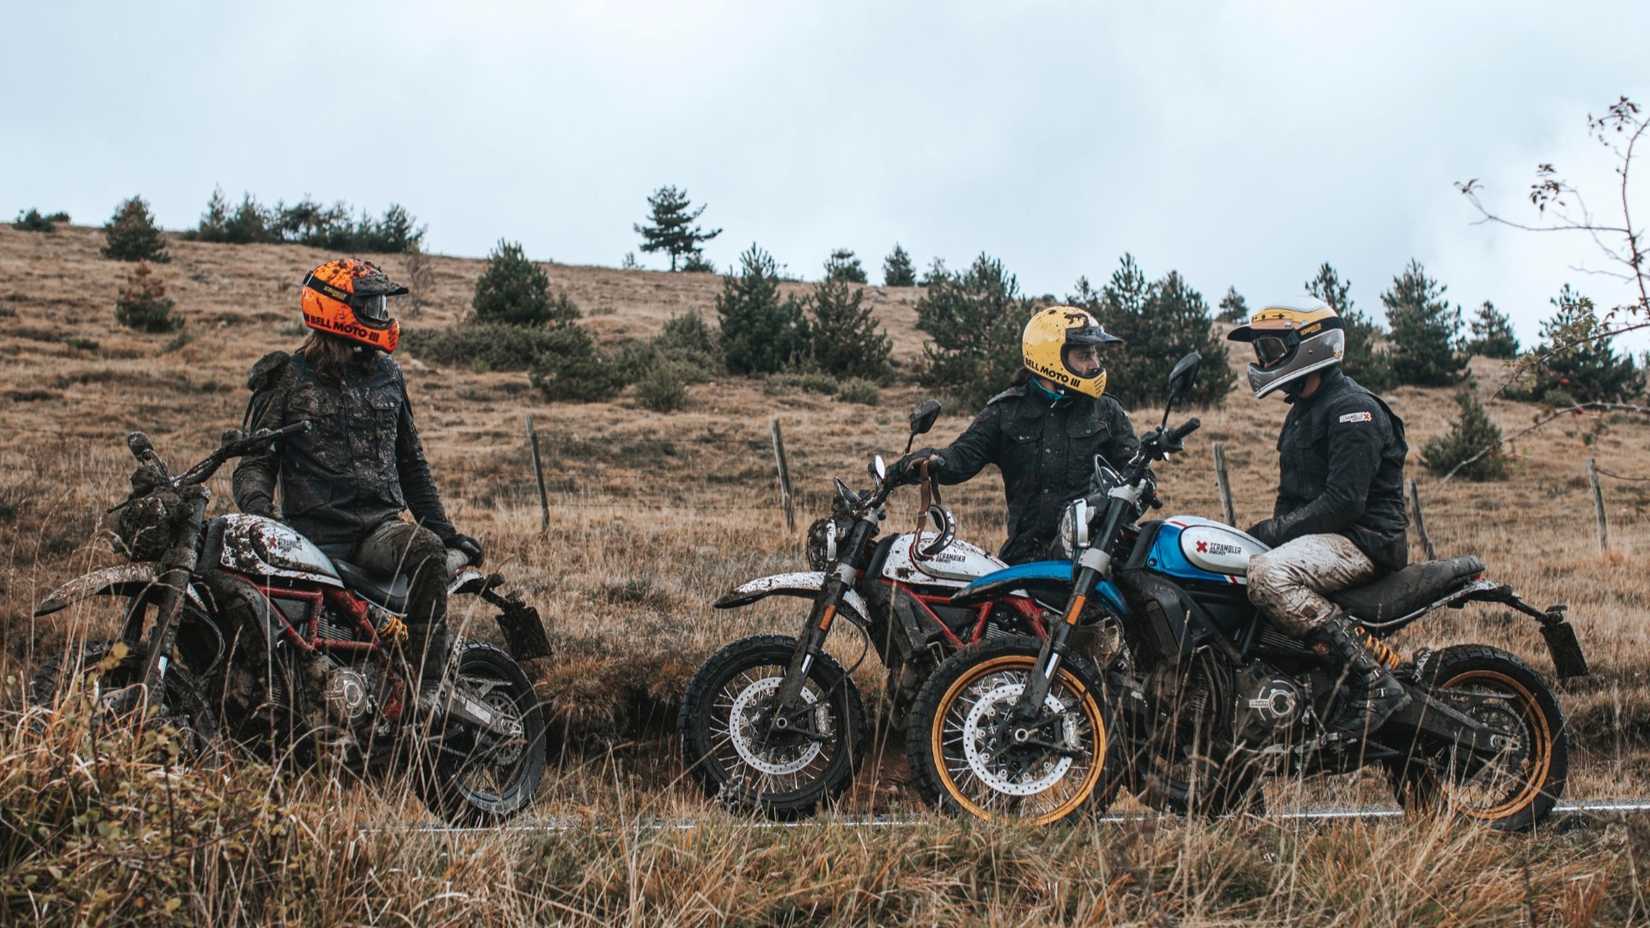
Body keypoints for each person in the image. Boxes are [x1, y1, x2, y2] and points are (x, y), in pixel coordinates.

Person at [233, 258, 481, 688]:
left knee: (424, 549)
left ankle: (426, 688)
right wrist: (259, 514)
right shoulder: (285, 377)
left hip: (376, 533)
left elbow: (411, 463)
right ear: (337, 309)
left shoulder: (388, 374)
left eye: (381, 304)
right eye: (372, 305)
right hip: (309, 535)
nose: (382, 314)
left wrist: (444, 532)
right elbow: (256, 460)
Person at [1227, 299, 1412, 743]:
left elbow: (1343, 503)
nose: (1264, 360)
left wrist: (1270, 535)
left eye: (1273, 347)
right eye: (1261, 351)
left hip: (1363, 540)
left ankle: (1372, 681)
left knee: (1270, 575)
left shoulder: (1353, 409)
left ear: (1310, 345)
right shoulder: (1303, 412)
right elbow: (1295, 499)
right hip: (1328, 540)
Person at [890, 306, 1139, 564]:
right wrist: (916, 465)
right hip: (1024, 559)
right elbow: (960, 459)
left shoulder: (1107, 411)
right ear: (1052, 357)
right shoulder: (1005, 411)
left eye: (1095, 354)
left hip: (1094, 557)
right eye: (1084, 355)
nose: (1095, 364)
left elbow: (1139, 473)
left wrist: (1108, 503)